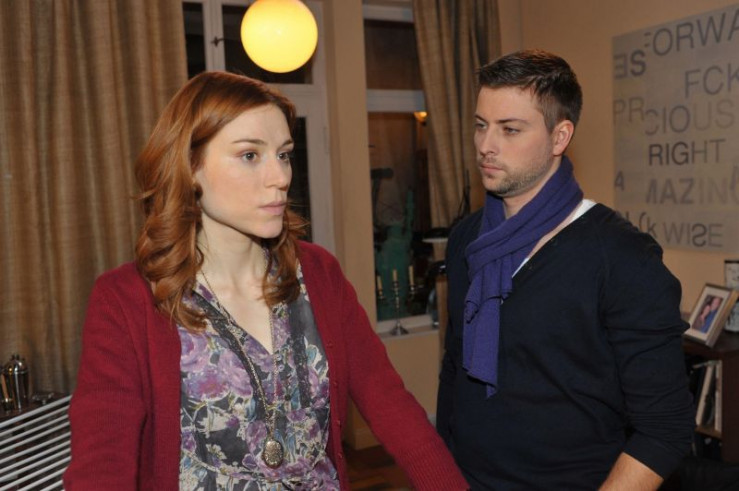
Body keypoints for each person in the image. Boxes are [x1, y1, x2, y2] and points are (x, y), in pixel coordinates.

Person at [63, 71, 468, 490]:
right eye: (250, 155)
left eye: (284, 154)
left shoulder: (319, 274)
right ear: (190, 166)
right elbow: (101, 464)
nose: (281, 177)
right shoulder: (125, 300)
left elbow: (392, 406)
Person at [436, 49, 695, 490]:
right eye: (481, 125)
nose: (485, 145)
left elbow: (664, 428)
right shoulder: (466, 239)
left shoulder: (621, 256)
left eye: (509, 129)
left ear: (560, 137)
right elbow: (454, 372)